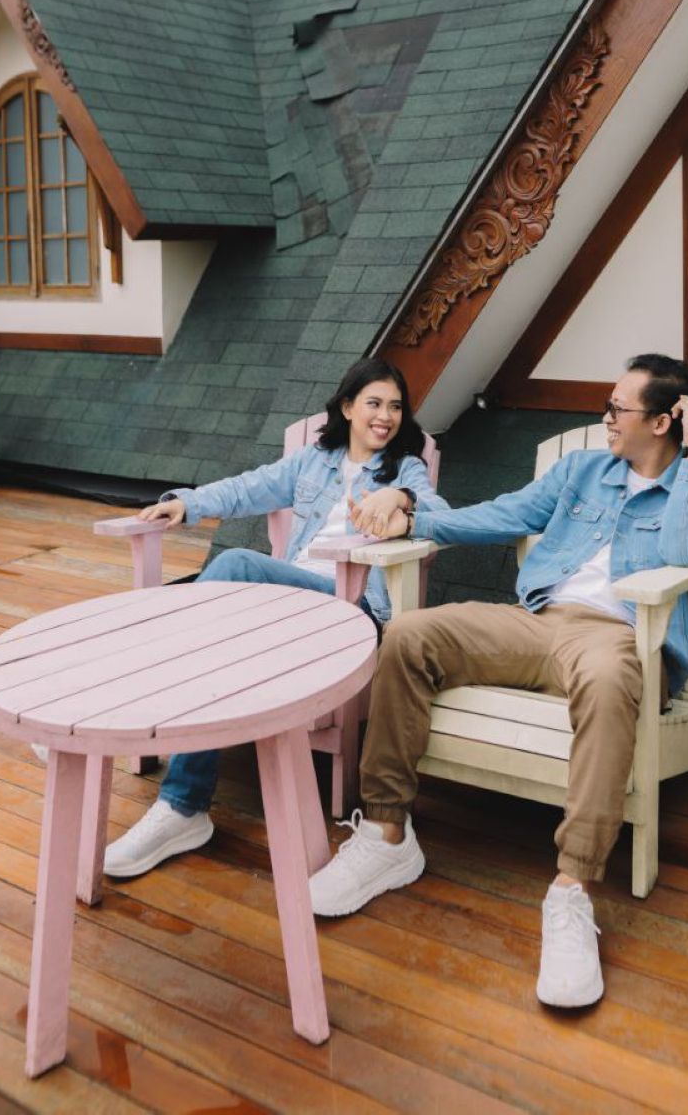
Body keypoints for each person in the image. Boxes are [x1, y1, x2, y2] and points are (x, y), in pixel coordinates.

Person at [307, 353, 688, 1010]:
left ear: (662, 422)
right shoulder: (582, 470)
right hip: (536, 623)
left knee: (610, 678)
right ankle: (387, 834)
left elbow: (684, 549)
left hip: (617, 639)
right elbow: (503, 514)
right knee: (410, 635)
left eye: (618, 408)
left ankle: (571, 889)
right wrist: (412, 514)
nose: (605, 418)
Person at [102, 357, 447, 878]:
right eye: (374, 403)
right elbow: (248, 488)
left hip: (349, 610)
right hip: (292, 606)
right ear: (347, 407)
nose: (386, 416)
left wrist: (401, 494)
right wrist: (185, 504)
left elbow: (441, 515)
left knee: (234, 566)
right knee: (213, 648)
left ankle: (132, 712)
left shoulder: (406, 467)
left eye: (395, 407)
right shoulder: (315, 460)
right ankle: (181, 808)